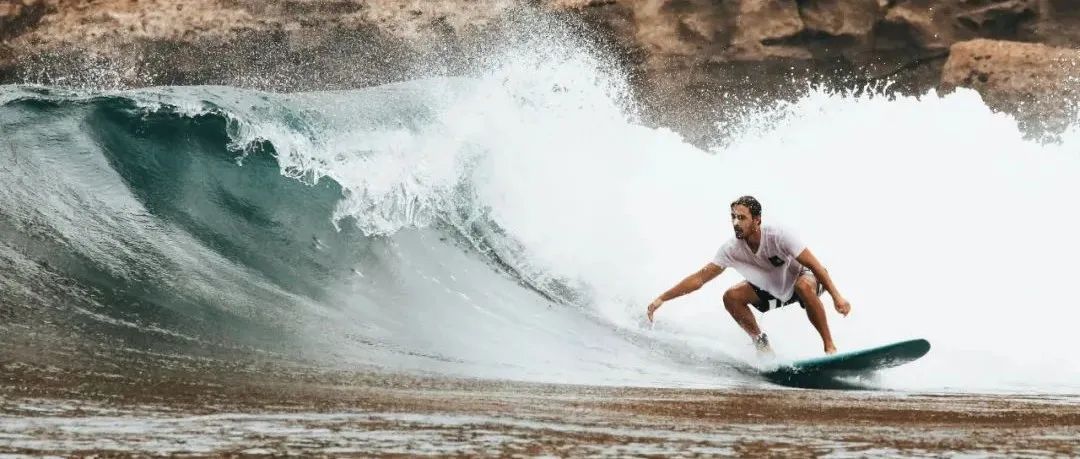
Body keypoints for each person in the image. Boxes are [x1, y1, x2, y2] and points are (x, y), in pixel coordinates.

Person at [645, 195, 851, 355]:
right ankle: (762, 345)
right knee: (731, 297)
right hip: (776, 291)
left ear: (757, 220)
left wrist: (837, 297)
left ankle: (829, 347)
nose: (736, 222)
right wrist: (662, 298)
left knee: (803, 286)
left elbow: (817, 267)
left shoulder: (779, 235)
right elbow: (699, 279)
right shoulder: (731, 249)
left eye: (741, 217)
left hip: (805, 278)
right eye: (733, 217)